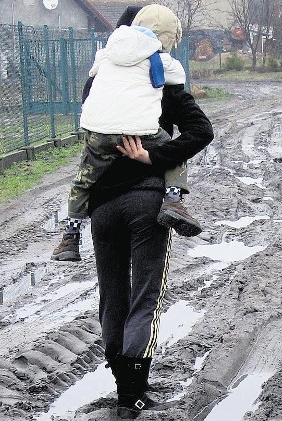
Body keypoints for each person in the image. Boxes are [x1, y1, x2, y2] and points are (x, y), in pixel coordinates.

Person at [70, 5, 213, 417]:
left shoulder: (101, 76)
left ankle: (124, 387)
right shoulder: (164, 80)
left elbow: (91, 123)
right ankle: (135, 393)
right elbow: (202, 131)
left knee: (112, 297)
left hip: (101, 206)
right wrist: (154, 156)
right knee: (145, 297)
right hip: (148, 201)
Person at [51, 4, 200, 262]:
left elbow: (91, 82)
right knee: (173, 152)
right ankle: (174, 200)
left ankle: (70, 237)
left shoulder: (106, 54)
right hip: (139, 133)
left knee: (82, 180)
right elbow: (177, 78)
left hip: (98, 133)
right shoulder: (158, 56)